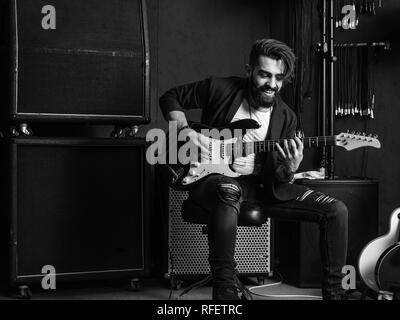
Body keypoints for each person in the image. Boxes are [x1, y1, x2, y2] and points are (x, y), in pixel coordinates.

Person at [159, 39, 351, 300]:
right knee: (228, 188)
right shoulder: (219, 88)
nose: (272, 84)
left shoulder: (287, 117)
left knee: (336, 210)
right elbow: (170, 97)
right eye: (264, 74)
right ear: (249, 70)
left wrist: (290, 167)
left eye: (279, 78)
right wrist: (185, 131)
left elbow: (281, 177)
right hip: (213, 180)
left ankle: (335, 294)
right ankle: (225, 289)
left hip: (263, 189)